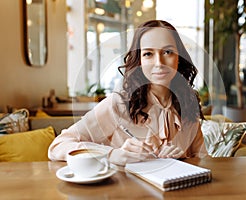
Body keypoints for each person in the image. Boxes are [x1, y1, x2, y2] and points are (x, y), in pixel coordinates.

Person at [48, 20, 206, 166]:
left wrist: (185, 159)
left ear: (179, 57)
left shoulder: (187, 105)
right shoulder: (118, 105)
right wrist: (111, 154)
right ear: (139, 61)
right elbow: (57, 146)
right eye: (148, 54)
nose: (159, 63)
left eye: (167, 52)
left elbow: (205, 162)